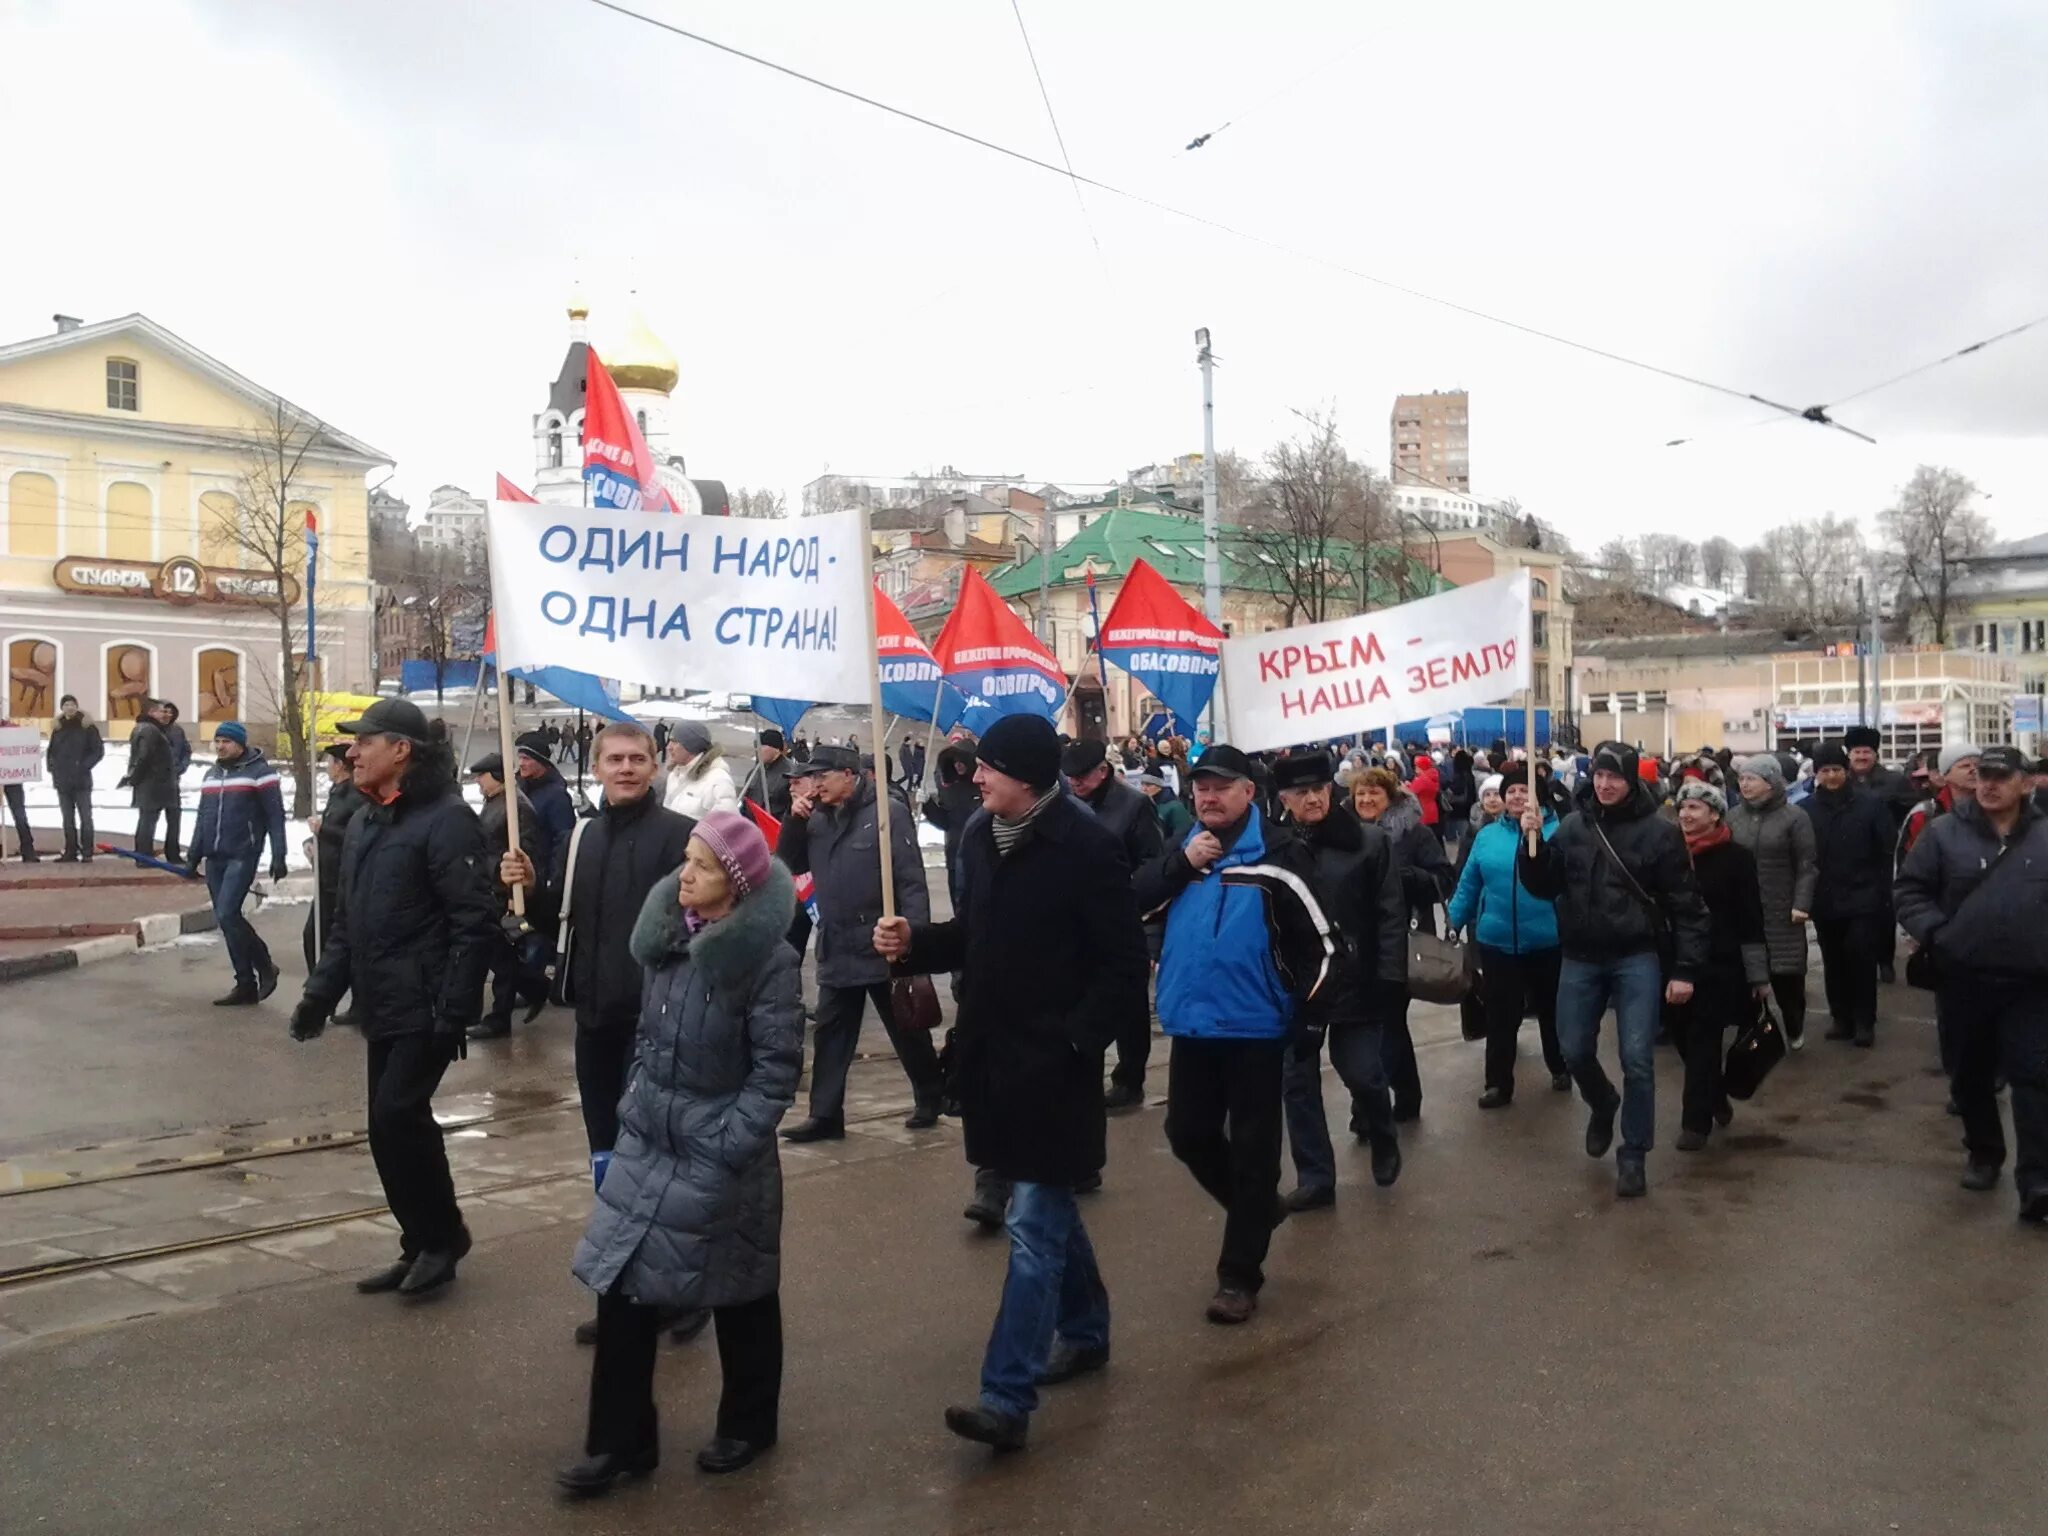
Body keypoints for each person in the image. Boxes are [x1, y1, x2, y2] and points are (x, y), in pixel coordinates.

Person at [873, 715, 1147, 1452]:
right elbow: (977, 934)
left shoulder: (1087, 847)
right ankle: (1086, 1330)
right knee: (1044, 1208)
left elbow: (1124, 967)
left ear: (1025, 776)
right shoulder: (980, 838)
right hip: (995, 1059)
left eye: (988, 767)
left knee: (1031, 1225)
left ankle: (1006, 1396)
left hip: (1055, 1070)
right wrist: (914, 948)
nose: (975, 777)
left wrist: (1075, 1041)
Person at [559, 811, 801, 1494]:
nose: (682, 874)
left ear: (736, 882)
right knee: (623, 1288)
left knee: (740, 1289)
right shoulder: (667, 943)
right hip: (649, 1143)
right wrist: (637, 1105)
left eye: (699, 864)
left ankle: (750, 1423)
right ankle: (620, 1443)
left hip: (720, 1153)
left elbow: (777, 1072)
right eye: (685, 860)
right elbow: (646, 1038)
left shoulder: (768, 962)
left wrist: (728, 1143)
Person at [503, 719, 702, 1343]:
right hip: (595, 1022)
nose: (625, 768)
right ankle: (623, 1293)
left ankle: (682, 1292)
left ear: (654, 766)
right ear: (595, 767)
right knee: (610, 1163)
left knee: (663, 1165)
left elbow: (704, 927)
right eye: (613, 759)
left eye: (637, 759)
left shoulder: (683, 837)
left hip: (659, 1025)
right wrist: (529, 888)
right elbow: (558, 917)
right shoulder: (582, 835)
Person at [288, 701, 496, 1296]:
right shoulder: (366, 821)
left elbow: (472, 921)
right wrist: (319, 994)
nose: (351, 752)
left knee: (399, 1114)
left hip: (427, 1004)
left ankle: (441, 1238)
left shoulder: (447, 819)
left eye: (365, 742)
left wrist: (455, 1010)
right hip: (381, 1001)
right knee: (386, 1127)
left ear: (401, 750)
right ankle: (422, 1240)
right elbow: (347, 923)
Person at [1137, 744, 1338, 1325]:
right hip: (1193, 1022)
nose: (1208, 796)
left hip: (1256, 1026)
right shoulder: (1185, 851)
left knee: (1253, 1152)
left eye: (1222, 786)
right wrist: (1181, 865)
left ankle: (1238, 1275)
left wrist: (1307, 1015)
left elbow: (1323, 946)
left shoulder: (1279, 857)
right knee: (1186, 1132)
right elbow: (1133, 902)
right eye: (1200, 786)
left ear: (1250, 792)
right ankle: (1257, 1210)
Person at [1516, 741, 1711, 1199]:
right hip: (1580, 955)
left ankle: (1634, 1153)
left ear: (1631, 782)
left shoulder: (1659, 833)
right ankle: (1602, 1102)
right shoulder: (1571, 827)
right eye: (1599, 776)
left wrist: (1685, 969)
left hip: (1635, 956)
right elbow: (1545, 885)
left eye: (1615, 778)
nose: (1604, 785)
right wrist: (1531, 848)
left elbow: (1689, 906)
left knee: (1638, 1058)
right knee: (1574, 1049)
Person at [1895, 746, 2048, 1222]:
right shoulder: (1943, 833)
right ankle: (1984, 1152)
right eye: (1983, 775)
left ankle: (2038, 1180)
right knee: (1970, 1074)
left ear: (2027, 783)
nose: (1989, 784)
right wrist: (1938, 934)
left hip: (2032, 982)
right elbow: (1909, 890)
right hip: (1964, 977)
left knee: (2034, 1077)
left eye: (2002, 777)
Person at [777, 744, 943, 1141]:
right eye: (810, 778)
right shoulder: (814, 817)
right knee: (832, 1033)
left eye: (822, 777)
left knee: (905, 1025)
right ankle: (825, 1115)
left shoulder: (887, 814)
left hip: (881, 941)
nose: (813, 786)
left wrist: (913, 936)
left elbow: (910, 879)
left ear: (847, 776)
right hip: (838, 943)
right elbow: (787, 866)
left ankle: (930, 1093)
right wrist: (793, 822)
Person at [1270, 750, 1407, 1209]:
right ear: (1284, 798)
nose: (1312, 799)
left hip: (1356, 978)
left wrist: (1391, 976)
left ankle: (1382, 1131)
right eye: (1300, 792)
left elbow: (1390, 914)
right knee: (1297, 1082)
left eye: (1319, 789)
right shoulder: (1277, 846)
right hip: (1299, 985)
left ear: (1332, 790)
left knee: (1364, 1074)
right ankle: (1315, 1178)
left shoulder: (1369, 842)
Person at [1447, 769, 1567, 1107]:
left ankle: (1560, 1066)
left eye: (1524, 790)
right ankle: (1498, 1083)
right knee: (1501, 1016)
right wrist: (1453, 921)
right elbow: (1469, 883)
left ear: (1540, 797)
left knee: (1552, 1011)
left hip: (1548, 940)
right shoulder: (1486, 837)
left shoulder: (1559, 832)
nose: (1516, 796)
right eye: (1511, 790)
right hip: (1498, 941)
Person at [1061, 739, 1165, 1111]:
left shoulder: (1134, 806)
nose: (1074, 783)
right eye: (1069, 777)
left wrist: (1119, 894)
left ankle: (1129, 1078)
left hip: (1124, 916)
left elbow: (1153, 862)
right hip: (1077, 920)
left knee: (1129, 1004)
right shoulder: (1067, 805)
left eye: (1082, 777)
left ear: (1102, 772)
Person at [1667, 782, 1770, 1150]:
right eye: (1682, 808)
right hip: (1675, 962)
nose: (1686, 815)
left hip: (1719, 965)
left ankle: (1695, 1125)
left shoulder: (1736, 858)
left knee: (1702, 1040)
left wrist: (1759, 974)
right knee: (1681, 1039)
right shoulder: (1669, 852)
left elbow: (1750, 917)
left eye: (1695, 807)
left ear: (1714, 814)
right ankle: (1713, 1096)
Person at [1349, 766, 1454, 1120]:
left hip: (1398, 942)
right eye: (1360, 794)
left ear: (1390, 797)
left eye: (1373, 794)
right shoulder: (1345, 834)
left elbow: (1442, 878)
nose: (1365, 800)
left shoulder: (1415, 835)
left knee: (1388, 1026)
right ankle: (1383, 1099)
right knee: (1363, 1028)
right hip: (1352, 946)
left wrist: (1402, 876)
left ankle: (1385, 1103)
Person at [184, 722, 288, 1006]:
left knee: (229, 914)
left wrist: (279, 854)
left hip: (242, 855)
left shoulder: (261, 774)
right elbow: (202, 819)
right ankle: (245, 984)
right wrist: (193, 856)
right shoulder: (211, 774)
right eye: (217, 741)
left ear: (241, 744)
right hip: (214, 857)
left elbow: (275, 817)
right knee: (225, 920)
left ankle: (265, 965)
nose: (220, 746)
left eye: (226, 741)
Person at [1803, 741, 1894, 1048]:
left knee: (1861, 958)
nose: (1831, 776)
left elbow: (1885, 851)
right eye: (1825, 771)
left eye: (1837, 770)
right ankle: (1840, 1017)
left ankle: (1865, 1021)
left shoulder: (1870, 804)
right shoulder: (1806, 810)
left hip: (1863, 897)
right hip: (1826, 898)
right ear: (1817, 774)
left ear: (1846, 771)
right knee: (1834, 960)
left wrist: (1883, 894)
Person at [1726, 754, 1819, 1051]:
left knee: (1786, 977)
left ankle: (1794, 1026)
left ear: (1771, 783)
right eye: (1742, 779)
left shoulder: (1795, 817)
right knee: (1748, 974)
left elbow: (1807, 865)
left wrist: (1801, 903)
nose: (1745, 784)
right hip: (1744, 909)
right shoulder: (1733, 817)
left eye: (1752, 779)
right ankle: (1753, 1033)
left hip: (1782, 910)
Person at [466, 753, 544, 1041]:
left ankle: (499, 1017)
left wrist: (517, 895)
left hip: (505, 892)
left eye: (482, 776)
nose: (478, 782)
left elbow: (526, 853)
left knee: (501, 956)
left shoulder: (516, 808)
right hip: (490, 888)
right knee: (498, 954)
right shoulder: (495, 804)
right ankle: (536, 988)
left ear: (497, 775)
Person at [1844, 725, 1913, 982]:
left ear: (1875, 754)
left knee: (1884, 910)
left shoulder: (1895, 781)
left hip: (1883, 856)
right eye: (1856, 751)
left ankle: (1885, 959)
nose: (1861, 756)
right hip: (1848, 855)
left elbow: (1911, 813)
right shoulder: (1841, 780)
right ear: (1849, 754)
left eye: (1867, 751)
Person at [305, 743, 365, 999]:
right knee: (315, 935)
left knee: (335, 939)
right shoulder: (337, 793)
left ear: (340, 766)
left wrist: (323, 831)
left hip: (341, 877)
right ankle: (320, 992)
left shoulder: (355, 796)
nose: (327, 767)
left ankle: (327, 994)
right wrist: (312, 845)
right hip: (327, 875)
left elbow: (354, 836)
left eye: (330, 762)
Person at [921, 738, 982, 895]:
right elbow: (945, 822)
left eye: (962, 760)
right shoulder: (950, 789)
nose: (958, 764)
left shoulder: (983, 787)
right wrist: (927, 805)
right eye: (954, 761)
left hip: (979, 859)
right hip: (954, 857)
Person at [46, 694, 103, 862]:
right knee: (67, 818)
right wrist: (52, 768)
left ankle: (87, 851)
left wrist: (84, 766)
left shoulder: (87, 726)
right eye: (66, 705)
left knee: (85, 816)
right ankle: (70, 851)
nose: (69, 707)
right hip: (62, 780)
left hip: (81, 780)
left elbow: (97, 751)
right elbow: (51, 751)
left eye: (72, 704)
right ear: (62, 708)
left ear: (76, 706)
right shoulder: (58, 727)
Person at [124, 698, 182, 861]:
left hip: (154, 783)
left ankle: (144, 854)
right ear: (151, 712)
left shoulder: (150, 729)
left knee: (148, 819)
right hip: (152, 784)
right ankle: (143, 856)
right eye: (160, 711)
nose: (163, 714)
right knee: (147, 821)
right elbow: (144, 757)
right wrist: (136, 778)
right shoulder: (149, 730)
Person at [662, 722, 740, 820]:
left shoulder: (718, 780)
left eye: (674, 741)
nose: (668, 747)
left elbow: (728, 824)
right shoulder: (675, 775)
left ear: (691, 746)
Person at [744, 729, 794, 820]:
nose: (758, 749)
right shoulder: (755, 772)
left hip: (773, 827)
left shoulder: (791, 773)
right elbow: (745, 801)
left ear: (776, 749)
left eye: (763, 745)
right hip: (752, 826)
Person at [1136, 769, 1194, 843]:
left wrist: (1163, 851)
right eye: (1142, 784)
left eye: (1148, 785)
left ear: (1159, 786)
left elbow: (1183, 833)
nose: (1144, 789)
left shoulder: (1174, 807)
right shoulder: (1143, 805)